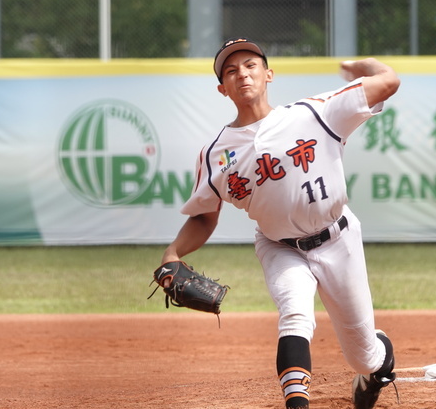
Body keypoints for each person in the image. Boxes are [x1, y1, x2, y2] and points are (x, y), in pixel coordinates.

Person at [158, 37, 401, 409]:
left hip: (339, 239)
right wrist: (173, 252)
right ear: (222, 89)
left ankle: (376, 368)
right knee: (295, 314)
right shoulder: (215, 155)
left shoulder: (314, 113)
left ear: (268, 74)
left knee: (363, 356)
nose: (242, 74)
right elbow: (206, 215)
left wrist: (364, 66)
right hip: (279, 247)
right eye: (231, 70)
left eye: (251, 65)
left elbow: (389, 82)